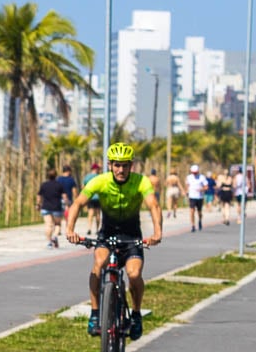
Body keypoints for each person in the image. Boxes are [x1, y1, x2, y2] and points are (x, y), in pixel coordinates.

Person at [65, 142, 163, 341]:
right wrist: (70, 229)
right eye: (117, 165)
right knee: (98, 265)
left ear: (131, 166)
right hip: (106, 236)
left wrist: (157, 232)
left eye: (125, 165)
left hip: (132, 237)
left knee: (134, 275)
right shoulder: (99, 181)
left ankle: (136, 315)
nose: (121, 169)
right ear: (110, 165)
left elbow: (154, 205)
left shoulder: (140, 182)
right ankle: (94, 314)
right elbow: (78, 203)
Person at [38, 168, 65, 248]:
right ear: (56, 175)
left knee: (48, 225)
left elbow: (39, 196)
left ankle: (49, 242)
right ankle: (55, 236)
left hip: (46, 207)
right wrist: (67, 203)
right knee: (57, 224)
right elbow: (64, 196)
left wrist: (38, 204)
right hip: (57, 207)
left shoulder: (44, 185)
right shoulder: (59, 185)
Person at [185, 164, 208, 232]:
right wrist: (186, 192)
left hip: (199, 197)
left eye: (195, 172)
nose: (194, 174)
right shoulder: (189, 177)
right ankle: (193, 225)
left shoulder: (202, 177)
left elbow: (206, 187)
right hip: (192, 196)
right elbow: (187, 185)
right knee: (192, 211)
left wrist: (202, 189)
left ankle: (200, 220)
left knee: (199, 212)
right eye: (193, 172)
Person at [82, 161, 102, 234]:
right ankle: (97, 229)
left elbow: (84, 188)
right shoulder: (100, 177)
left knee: (90, 213)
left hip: (90, 197)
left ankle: (89, 228)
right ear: (97, 169)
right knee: (98, 214)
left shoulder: (87, 177)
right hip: (99, 198)